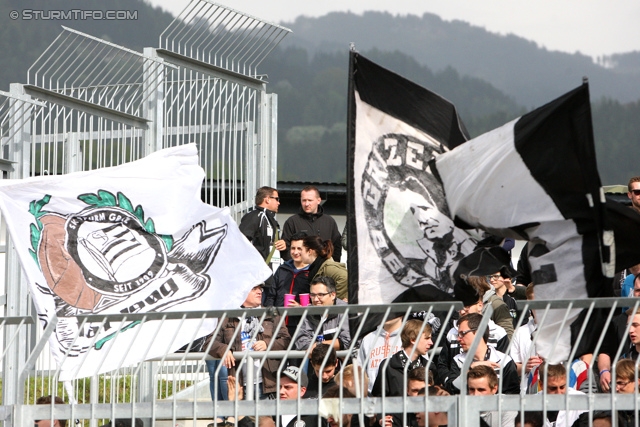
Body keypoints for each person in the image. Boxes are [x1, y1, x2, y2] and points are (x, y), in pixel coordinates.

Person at [206, 284, 291, 399]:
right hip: (239, 385)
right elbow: (209, 342)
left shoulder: (271, 314)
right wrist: (223, 349)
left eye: (260, 289)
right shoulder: (227, 316)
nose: (259, 292)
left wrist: (267, 344)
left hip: (267, 383)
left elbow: (286, 340)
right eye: (254, 289)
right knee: (241, 417)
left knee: (265, 417)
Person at [445, 313, 519, 395]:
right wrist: (470, 368)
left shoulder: (504, 361)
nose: (458, 338)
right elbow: (451, 390)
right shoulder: (457, 360)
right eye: (458, 334)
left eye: (463, 333)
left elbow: (513, 395)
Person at [371, 319, 435, 398]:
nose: (431, 342)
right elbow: (378, 399)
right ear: (413, 340)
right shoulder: (388, 366)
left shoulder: (430, 367)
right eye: (427, 338)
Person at [281, 186, 342, 262]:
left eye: (310, 200)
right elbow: (285, 249)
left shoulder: (329, 221)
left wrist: (333, 266)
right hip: (300, 270)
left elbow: (336, 247)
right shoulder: (292, 222)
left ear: (318, 200)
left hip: (324, 270)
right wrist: (296, 266)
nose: (306, 204)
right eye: (304, 200)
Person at [295, 276, 351, 351]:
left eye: (321, 295)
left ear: (333, 295)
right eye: (312, 295)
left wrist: (317, 346)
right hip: (317, 360)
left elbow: (348, 341)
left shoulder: (344, 310)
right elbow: (301, 342)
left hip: (344, 361)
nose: (315, 299)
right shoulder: (309, 311)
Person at [239, 186, 286, 267]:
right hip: (257, 270)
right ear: (267, 199)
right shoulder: (254, 216)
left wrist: (282, 244)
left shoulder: (272, 220)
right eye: (277, 199)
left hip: (273, 268)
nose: (279, 203)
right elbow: (241, 241)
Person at [358, 317, 403, 394]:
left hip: (401, 395)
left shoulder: (410, 336)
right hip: (373, 397)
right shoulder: (368, 339)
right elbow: (360, 370)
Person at [301, 235, 348, 301]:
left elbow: (344, 277)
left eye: (301, 249)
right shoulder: (316, 267)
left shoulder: (327, 267)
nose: (299, 253)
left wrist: (335, 301)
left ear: (310, 251)